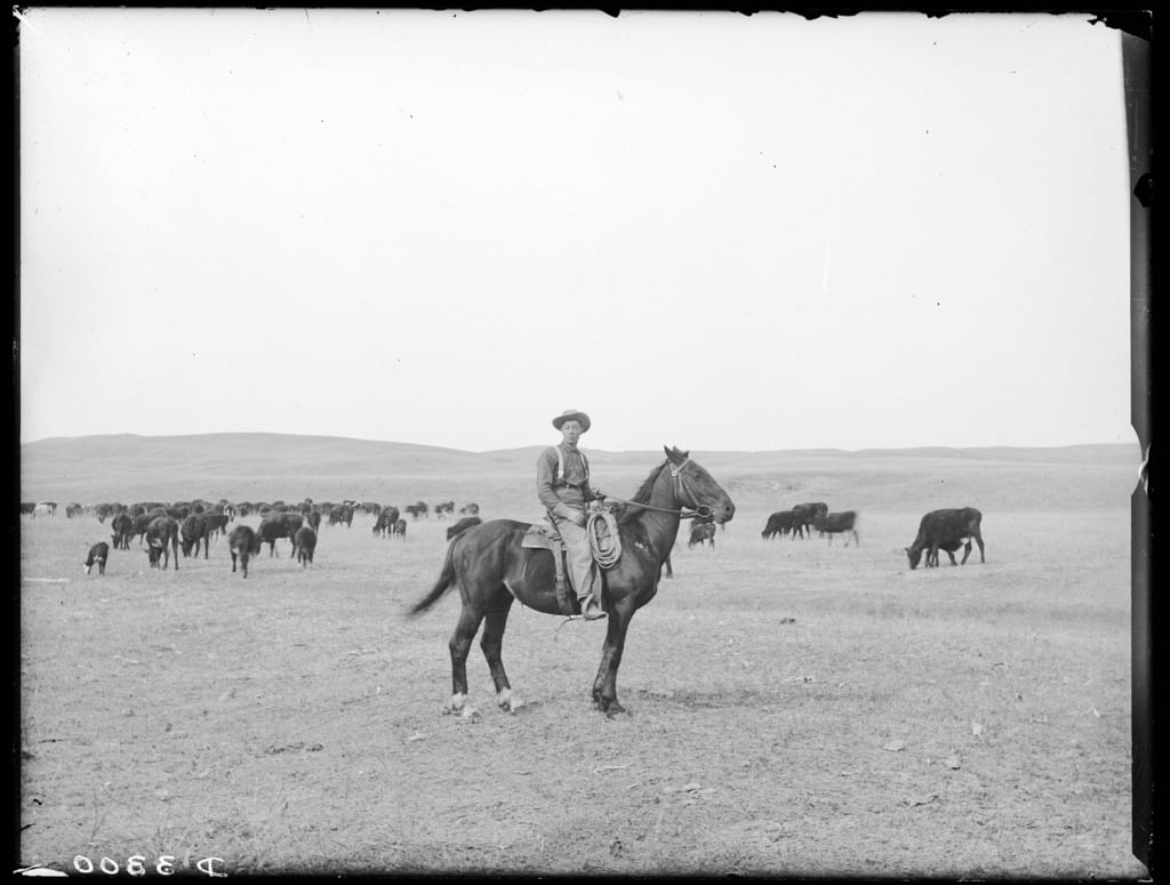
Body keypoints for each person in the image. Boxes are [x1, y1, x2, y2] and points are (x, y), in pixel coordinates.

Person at [537, 409, 607, 620]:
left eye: (575, 428)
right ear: (561, 430)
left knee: (607, 535)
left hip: (581, 511)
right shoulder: (550, 455)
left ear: (581, 431)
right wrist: (567, 513)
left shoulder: (582, 458)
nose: (571, 432)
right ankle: (586, 601)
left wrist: (592, 495)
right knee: (583, 546)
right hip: (562, 513)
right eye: (567, 427)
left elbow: (583, 492)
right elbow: (544, 491)